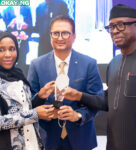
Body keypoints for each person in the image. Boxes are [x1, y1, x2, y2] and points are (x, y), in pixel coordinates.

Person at [62, 4, 136, 150]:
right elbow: (108, 100)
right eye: (111, 27)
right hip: (114, 145)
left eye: (121, 25)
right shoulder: (113, 63)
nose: (115, 31)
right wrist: (78, 95)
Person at [27, 15, 103, 150]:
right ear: (50, 36)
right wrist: (40, 97)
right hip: (46, 139)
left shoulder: (89, 64)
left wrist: (78, 115)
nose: (60, 38)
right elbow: (28, 104)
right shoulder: (37, 65)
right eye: (55, 33)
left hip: (80, 138)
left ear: (74, 36)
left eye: (65, 33)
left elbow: (97, 101)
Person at [0, 31, 56, 150]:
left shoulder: (19, 75)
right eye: (1, 50)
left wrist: (40, 96)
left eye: (12, 49)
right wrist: (34, 114)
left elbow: (24, 108)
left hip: (32, 143)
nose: (8, 54)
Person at [2, 6, 33, 70]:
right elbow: (4, 29)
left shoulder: (27, 9)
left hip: (23, 43)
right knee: (9, 66)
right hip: (10, 44)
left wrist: (26, 35)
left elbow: (31, 27)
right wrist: (10, 33)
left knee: (22, 67)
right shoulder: (6, 10)